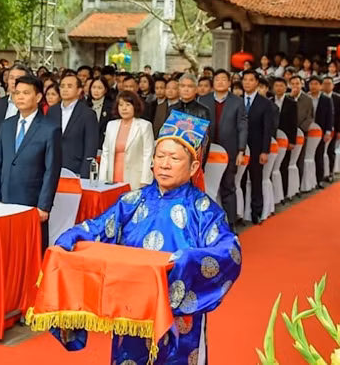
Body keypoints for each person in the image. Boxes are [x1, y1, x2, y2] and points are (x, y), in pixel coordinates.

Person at [51, 110, 241, 364]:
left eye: (174, 158)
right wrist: (75, 234)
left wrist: (192, 259)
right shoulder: (132, 200)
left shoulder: (204, 210)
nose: (164, 164)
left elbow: (229, 250)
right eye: (160, 156)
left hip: (179, 312)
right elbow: (100, 227)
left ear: (194, 166)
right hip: (132, 306)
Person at [0, 75, 62, 252]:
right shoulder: (6, 125)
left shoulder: (49, 128)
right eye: (16, 93)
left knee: (30, 251)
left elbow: (51, 171)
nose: (20, 97)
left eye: (26, 93)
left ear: (38, 98)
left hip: (32, 202)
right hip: (5, 202)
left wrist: (43, 206)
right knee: (6, 249)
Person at [199, 69, 247, 229]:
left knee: (228, 186)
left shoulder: (237, 102)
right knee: (206, 187)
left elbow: (242, 126)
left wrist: (241, 150)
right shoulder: (203, 100)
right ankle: (205, 224)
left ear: (229, 83)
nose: (220, 82)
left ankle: (230, 224)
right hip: (206, 151)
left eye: (223, 80)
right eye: (217, 79)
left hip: (229, 151)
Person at [99, 91, 154, 190]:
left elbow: (148, 154)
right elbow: (105, 153)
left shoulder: (144, 126)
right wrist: (102, 179)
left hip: (136, 178)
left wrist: (145, 180)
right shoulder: (111, 125)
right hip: (112, 176)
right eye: (121, 105)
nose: (124, 108)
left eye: (128, 105)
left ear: (135, 106)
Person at [47, 74, 99, 178]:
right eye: (62, 86)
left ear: (79, 90)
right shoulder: (52, 111)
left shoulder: (87, 113)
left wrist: (84, 175)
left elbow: (90, 147)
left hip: (76, 170)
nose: (65, 89)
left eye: (69, 86)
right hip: (52, 169)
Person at [242, 70, 274, 224]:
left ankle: (256, 212)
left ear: (256, 83)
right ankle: (240, 213)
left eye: (250, 80)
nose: (247, 83)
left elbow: (267, 129)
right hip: (239, 148)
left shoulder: (264, 103)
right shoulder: (236, 101)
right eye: (245, 80)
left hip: (256, 147)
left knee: (256, 180)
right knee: (239, 181)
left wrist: (264, 151)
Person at [0, 64, 30, 159]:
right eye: (11, 77)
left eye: (18, 78)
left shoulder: (30, 105)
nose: (14, 81)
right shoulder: (0, 103)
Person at [271, 77, 298, 196]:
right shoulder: (269, 101)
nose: (278, 88)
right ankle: (273, 192)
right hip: (273, 137)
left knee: (283, 164)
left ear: (286, 87)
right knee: (272, 166)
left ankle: (284, 192)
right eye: (276, 86)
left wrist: (292, 141)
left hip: (286, 137)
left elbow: (294, 123)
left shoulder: (291, 103)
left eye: (281, 86)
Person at [309, 76, 334, 186]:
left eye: (316, 84)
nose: (313, 86)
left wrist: (328, 132)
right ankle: (308, 181)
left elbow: (330, 117)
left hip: (321, 131)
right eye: (311, 84)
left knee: (319, 155)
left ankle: (319, 179)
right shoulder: (305, 97)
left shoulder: (326, 100)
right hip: (307, 131)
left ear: (320, 86)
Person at [323, 76, 340, 180]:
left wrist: (339, 130)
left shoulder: (338, 98)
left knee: (330, 151)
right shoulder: (320, 97)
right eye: (325, 84)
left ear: (333, 85)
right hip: (321, 128)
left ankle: (330, 172)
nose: (327, 86)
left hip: (333, 129)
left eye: (329, 84)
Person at [86, 77, 114, 149]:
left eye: (100, 88)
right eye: (94, 87)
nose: (96, 91)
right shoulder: (84, 105)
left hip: (104, 146)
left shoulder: (111, 107)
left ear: (105, 90)